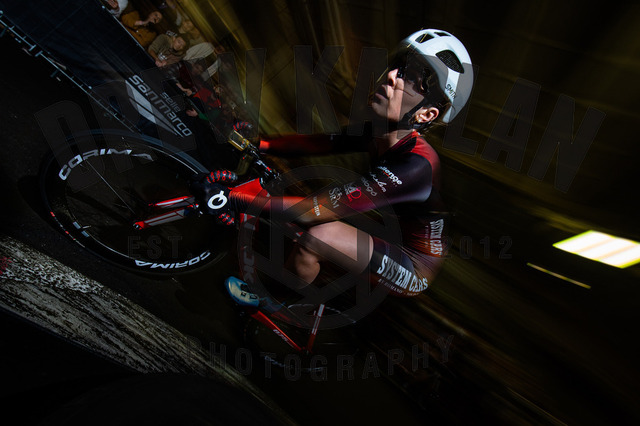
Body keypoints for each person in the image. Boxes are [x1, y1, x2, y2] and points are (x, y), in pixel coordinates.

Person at [194, 29, 473, 305]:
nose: (390, 75)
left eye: (410, 78)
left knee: (319, 235)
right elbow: (320, 143)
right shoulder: (377, 132)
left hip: (412, 265)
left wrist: (233, 199)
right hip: (385, 232)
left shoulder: (417, 167)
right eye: (397, 67)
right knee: (298, 217)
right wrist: (258, 143)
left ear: (426, 114)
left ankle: (271, 302)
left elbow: (314, 210)